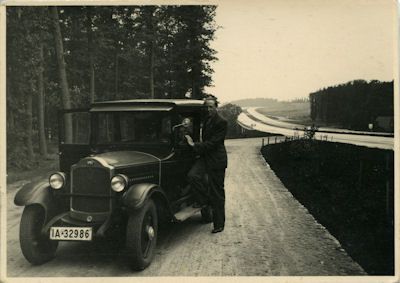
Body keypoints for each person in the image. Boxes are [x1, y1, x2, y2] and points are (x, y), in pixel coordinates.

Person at [185, 95, 228, 234]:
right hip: (205, 157)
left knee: (217, 192)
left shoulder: (222, 122)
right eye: (207, 107)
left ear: (216, 107)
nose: (208, 109)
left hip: (216, 159)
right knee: (193, 176)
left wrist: (194, 145)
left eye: (211, 107)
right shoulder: (206, 119)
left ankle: (219, 224)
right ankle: (206, 200)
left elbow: (213, 143)